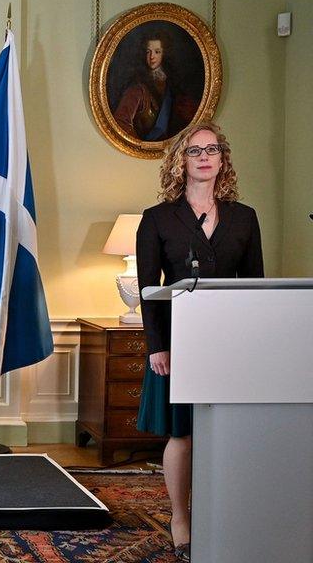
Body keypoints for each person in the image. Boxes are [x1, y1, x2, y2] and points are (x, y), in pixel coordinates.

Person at [135, 122, 263, 561]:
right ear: (180, 162)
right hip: (177, 338)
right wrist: (157, 346)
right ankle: (181, 518)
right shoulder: (157, 218)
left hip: (227, 341)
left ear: (222, 159)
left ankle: (222, 514)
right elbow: (148, 289)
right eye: (194, 151)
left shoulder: (244, 217)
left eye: (212, 150)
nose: (205, 157)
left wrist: (250, 348)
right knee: (182, 432)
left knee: (225, 432)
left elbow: (255, 287)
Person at [113, 29, 198, 142]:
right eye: (148, 52)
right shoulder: (137, 88)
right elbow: (121, 122)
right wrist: (142, 146)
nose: (152, 56)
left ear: (164, 53)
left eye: (157, 51)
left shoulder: (172, 83)